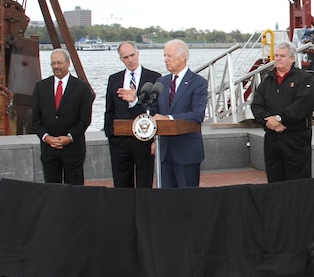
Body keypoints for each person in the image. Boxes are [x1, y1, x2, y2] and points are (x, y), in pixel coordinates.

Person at [251, 41, 314, 182]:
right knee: (274, 180)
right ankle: (276, 204)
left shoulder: (304, 78)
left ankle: (297, 205)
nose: (278, 58)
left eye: (282, 56)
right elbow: (257, 105)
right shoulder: (267, 80)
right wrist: (268, 121)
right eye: (276, 55)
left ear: (292, 58)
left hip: (296, 139)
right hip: (272, 139)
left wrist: (280, 118)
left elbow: (305, 104)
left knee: (297, 182)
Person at [103, 41, 162, 188]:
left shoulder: (154, 78)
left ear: (138, 54)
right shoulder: (114, 79)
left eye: (132, 55)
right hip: (119, 143)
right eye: (125, 57)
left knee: (144, 184)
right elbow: (109, 110)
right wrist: (111, 135)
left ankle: (143, 211)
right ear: (121, 59)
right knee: (121, 187)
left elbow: (155, 111)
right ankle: (124, 211)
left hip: (144, 140)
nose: (130, 60)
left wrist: (135, 101)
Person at [31, 48, 93, 184]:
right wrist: (46, 137)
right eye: (53, 63)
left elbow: (85, 119)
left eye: (59, 63)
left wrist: (69, 137)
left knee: (74, 192)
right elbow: (35, 118)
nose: (56, 66)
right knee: (52, 191)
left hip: (73, 149)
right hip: (49, 150)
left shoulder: (82, 88)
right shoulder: (41, 87)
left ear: (68, 63)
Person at [152, 39, 208, 188]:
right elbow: (153, 111)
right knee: (166, 201)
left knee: (187, 200)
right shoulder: (161, 82)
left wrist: (169, 118)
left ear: (182, 57)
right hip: (164, 152)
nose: (166, 60)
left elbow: (197, 115)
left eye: (169, 56)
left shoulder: (198, 83)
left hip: (186, 152)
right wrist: (135, 101)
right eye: (165, 56)